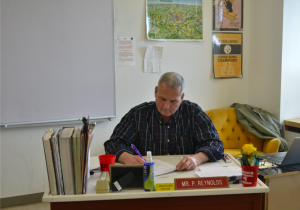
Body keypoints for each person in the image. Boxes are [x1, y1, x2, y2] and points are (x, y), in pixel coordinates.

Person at [104, 72, 224, 171]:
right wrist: (127, 158)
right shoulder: (138, 114)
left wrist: (196, 159)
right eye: (162, 99)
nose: (166, 106)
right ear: (155, 92)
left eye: (173, 101)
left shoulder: (193, 112)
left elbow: (216, 144)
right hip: (147, 176)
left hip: (184, 176)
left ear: (182, 97)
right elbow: (113, 143)